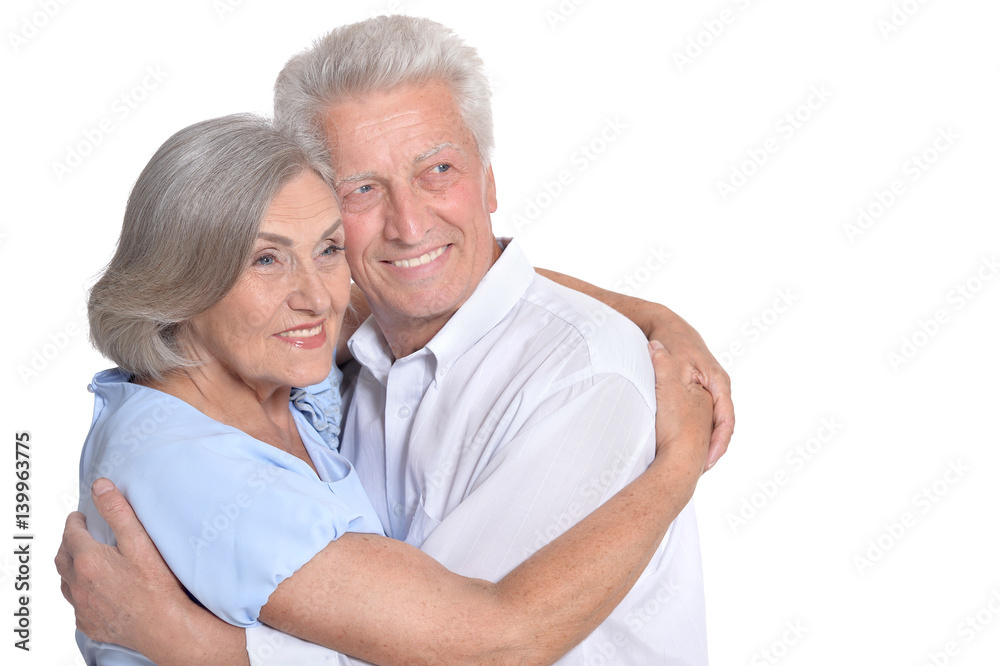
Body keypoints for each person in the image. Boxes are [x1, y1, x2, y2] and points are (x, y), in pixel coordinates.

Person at [59, 16, 734, 664]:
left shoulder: (584, 381)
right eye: (361, 189)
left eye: (438, 170)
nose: (410, 224)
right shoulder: (297, 376)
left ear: (488, 180)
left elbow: (483, 649)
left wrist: (651, 320)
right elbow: (466, 647)